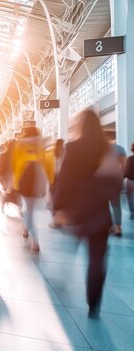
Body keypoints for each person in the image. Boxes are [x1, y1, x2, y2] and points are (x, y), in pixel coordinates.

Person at [54, 109, 122, 318]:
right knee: (96, 260)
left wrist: (58, 208)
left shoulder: (73, 147)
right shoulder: (107, 149)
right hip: (100, 213)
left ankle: (61, 282)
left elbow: (63, 180)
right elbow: (115, 181)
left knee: (71, 247)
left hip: (77, 210)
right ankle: (93, 304)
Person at [11, 127, 50, 253]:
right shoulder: (40, 143)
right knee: (30, 209)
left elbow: (14, 162)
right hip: (37, 179)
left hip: (24, 179)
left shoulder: (20, 143)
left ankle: (35, 240)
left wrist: (13, 181)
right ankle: (26, 229)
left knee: (28, 211)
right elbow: (44, 162)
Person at [108, 138, 127, 236]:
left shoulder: (100, 149)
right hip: (116, 179)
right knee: (116, 204)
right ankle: (118, 228)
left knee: (103, 204)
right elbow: (124, 167)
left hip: (102, 180)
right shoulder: (120, 149)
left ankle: (110, 225)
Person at [125, 142, 134, 221]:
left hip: (131, 181)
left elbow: (126, 171)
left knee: (130, 198)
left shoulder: (130, 159)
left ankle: (132, 213)